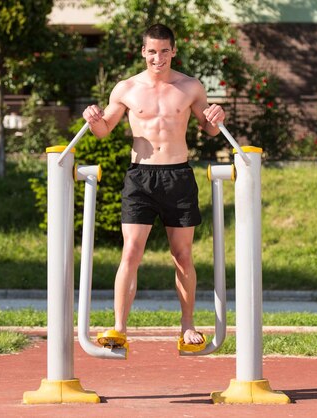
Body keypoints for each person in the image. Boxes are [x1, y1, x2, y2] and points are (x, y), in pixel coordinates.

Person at [82, 23, 225, 351]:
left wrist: (217, 116)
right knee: (131, 251)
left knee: (183, 254)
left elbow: (209, 128)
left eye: (164, 51)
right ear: (142, 52)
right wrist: (94, 121)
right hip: (141, 178)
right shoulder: (126, 89)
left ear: (173, 51)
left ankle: (187, 325)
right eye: (151, 51)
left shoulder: (190, 87)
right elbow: (105, 129)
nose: (157, 58)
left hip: (178, 176)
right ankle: (118, 328)